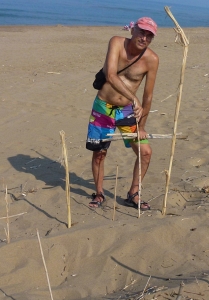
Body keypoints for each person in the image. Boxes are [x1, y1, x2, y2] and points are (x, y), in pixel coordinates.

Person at [85, 17, 159, 210]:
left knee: (145, 152)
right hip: (104, 107)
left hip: (127, 112)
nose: (144, 38)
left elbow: (148, 96)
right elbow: (110, 75)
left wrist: (141, 126)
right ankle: (99, 193)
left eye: (149, 35)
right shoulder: (116, 42)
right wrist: (133, 98)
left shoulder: (152, 59)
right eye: (142, 32)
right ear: (133, 29)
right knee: (100, 153)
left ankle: (133, 194)